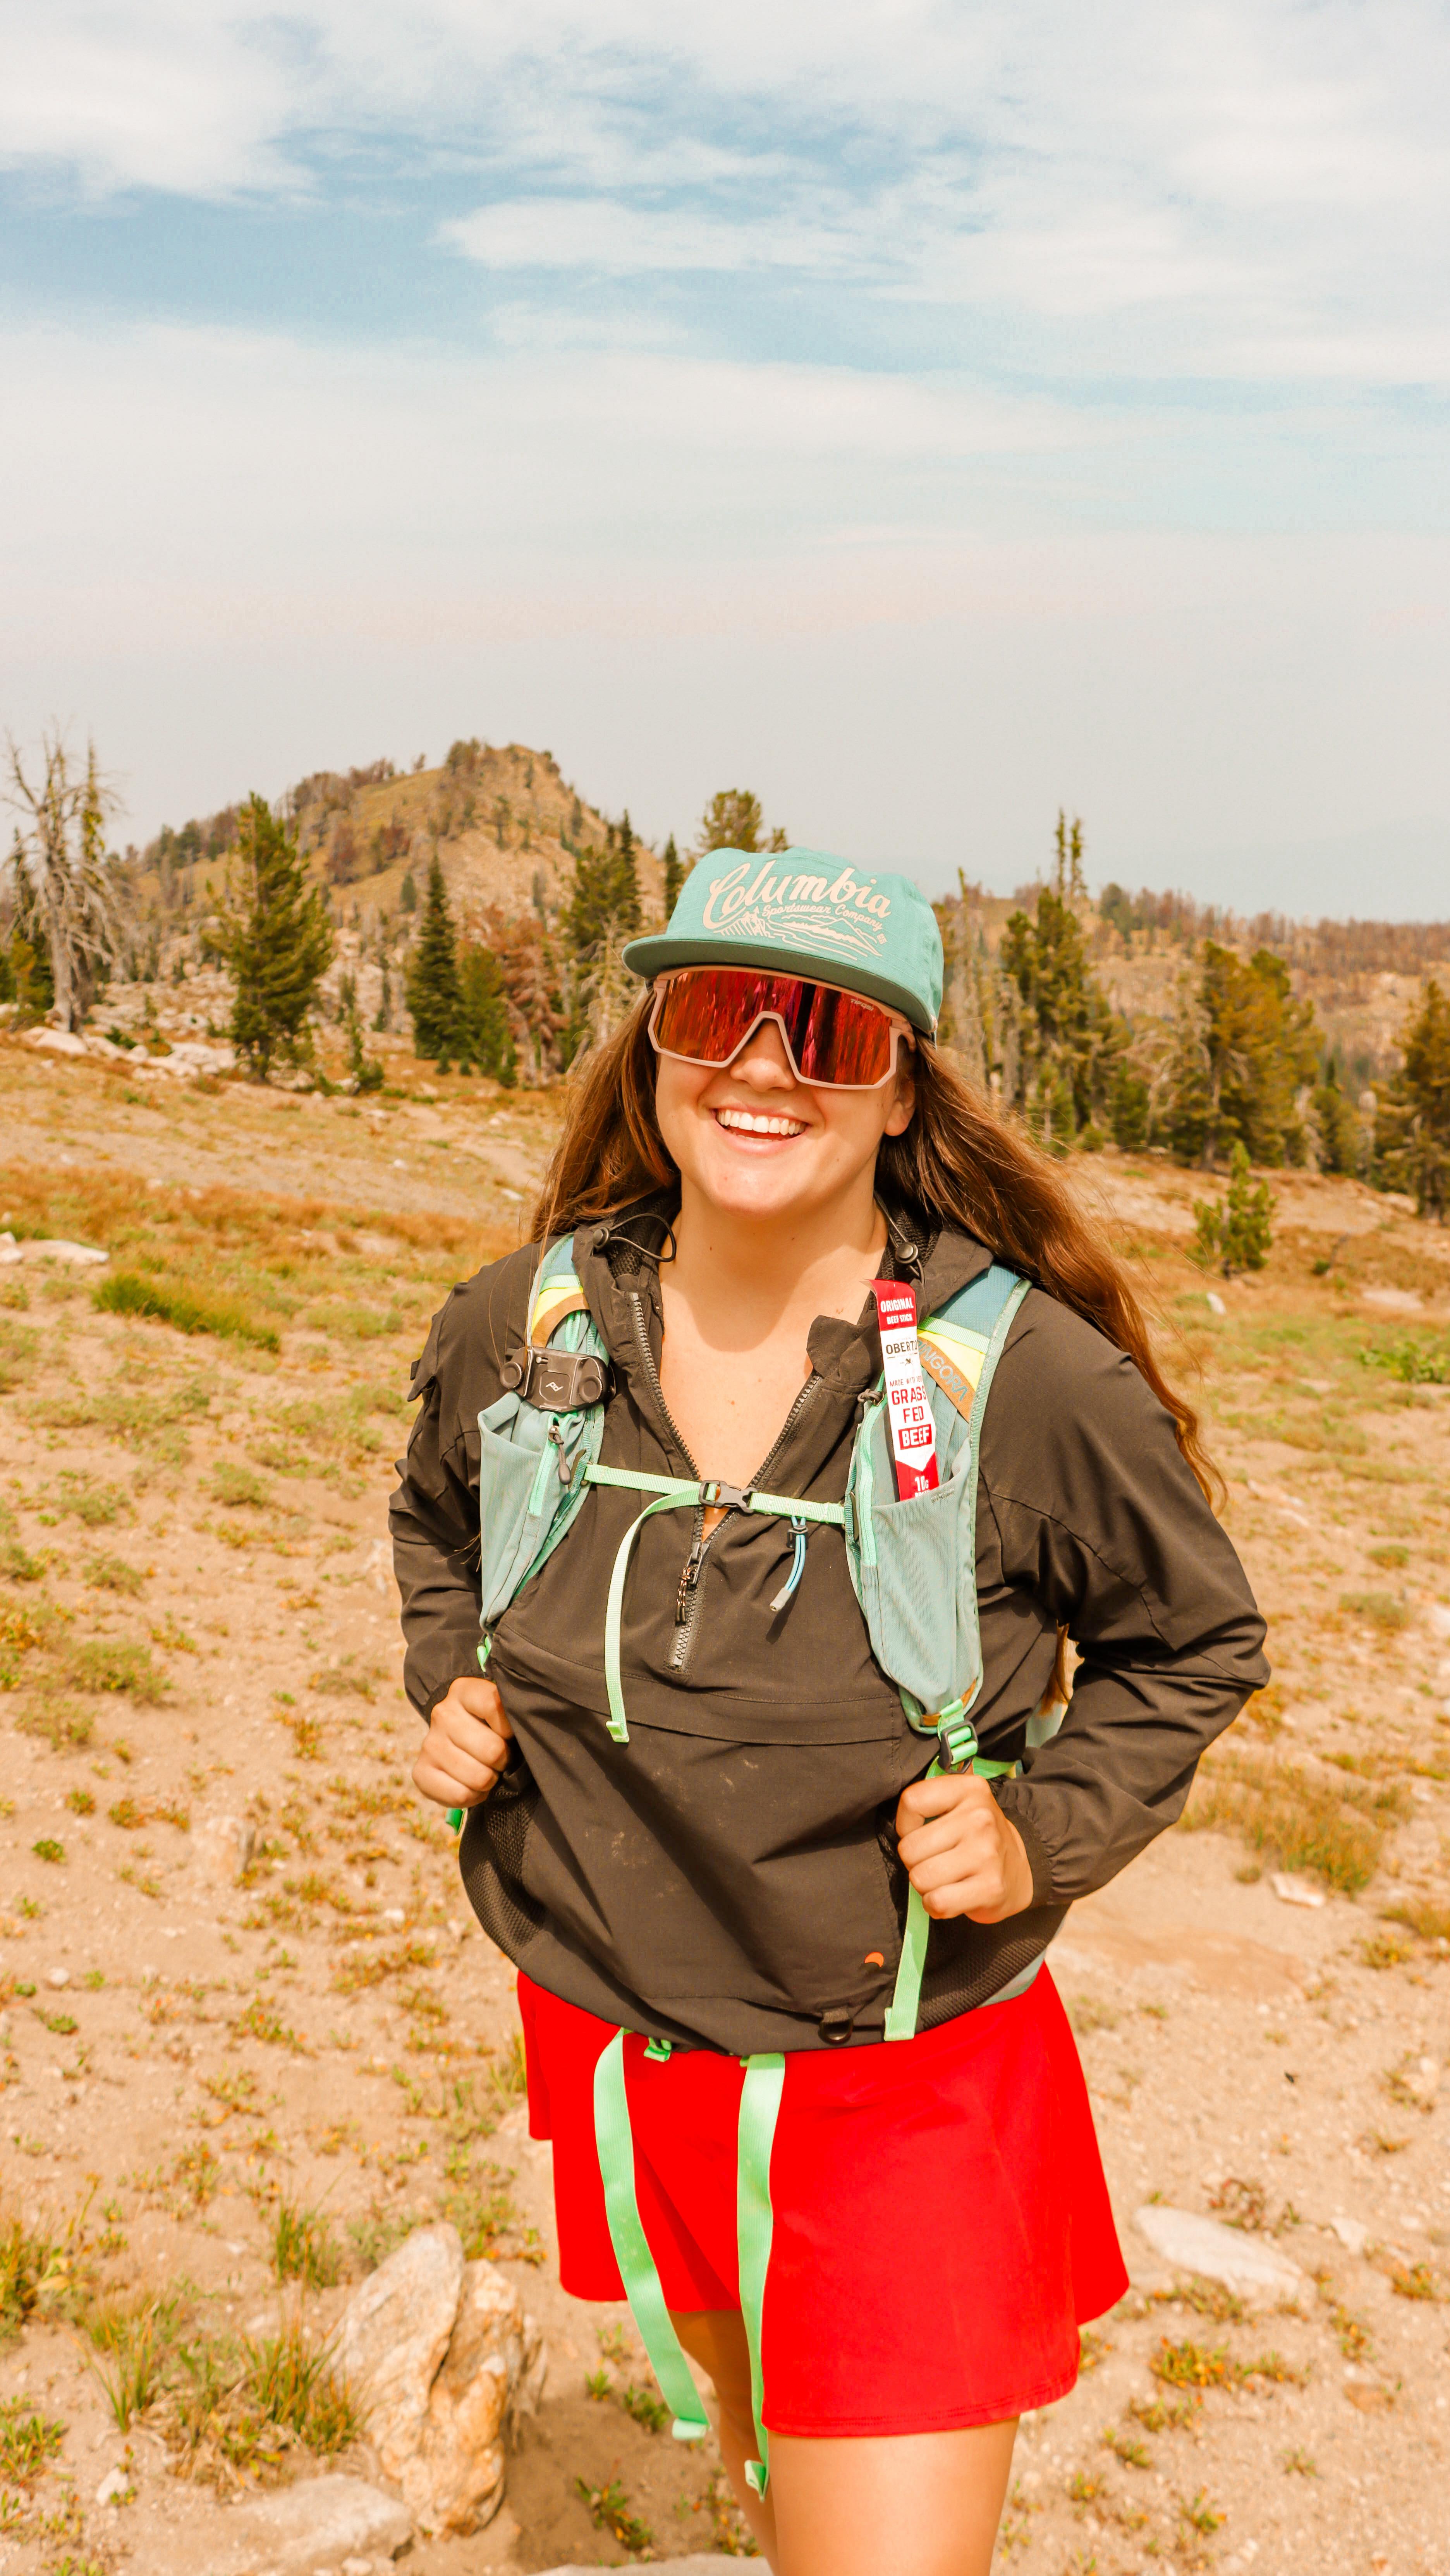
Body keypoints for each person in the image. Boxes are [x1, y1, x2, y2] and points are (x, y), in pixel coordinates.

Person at [393, 851, 1267, 2576]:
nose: (765, 1065)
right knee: (773, 2470)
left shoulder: (1023, 1378)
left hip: (900, 2086)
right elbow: (436, 1518)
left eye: (830, 1031)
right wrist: (456, 1677)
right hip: (628, 2039)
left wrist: (1041, 1833)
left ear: (900, 1089)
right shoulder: (533, 1319)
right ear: (655, 1045)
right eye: (719, 1009)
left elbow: (1196, 1641)